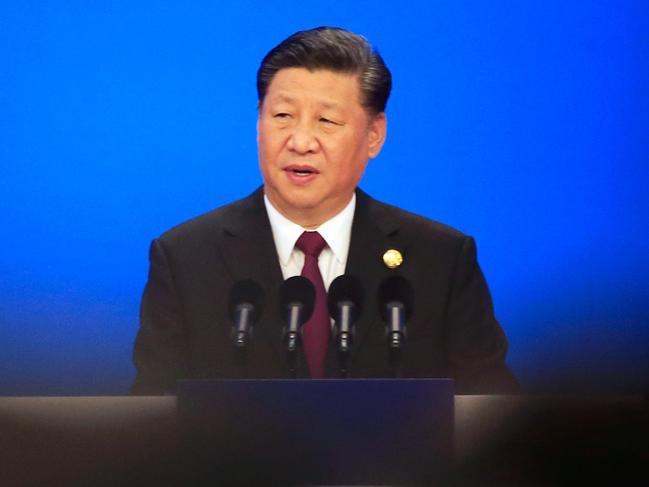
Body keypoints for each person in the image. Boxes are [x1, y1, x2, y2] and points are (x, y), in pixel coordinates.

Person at [131, 26, 518, 394]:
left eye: (326, 121)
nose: (300, 141)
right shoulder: (186, 258)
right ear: (258, 122)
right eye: (282, 116)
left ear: (374, 135)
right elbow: (153, 417)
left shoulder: (441, 260)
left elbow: (490, 413)